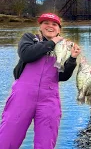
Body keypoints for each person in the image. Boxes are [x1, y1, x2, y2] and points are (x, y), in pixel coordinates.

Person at [0, 13, 81, 148]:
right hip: (22, 97)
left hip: (49, 100)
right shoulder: (29, 39)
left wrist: (72, 59)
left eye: (54, 24)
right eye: (46, 23)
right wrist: (51, 43)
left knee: (46, 142)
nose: (50, 26)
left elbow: (63, 76)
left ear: (59, 29)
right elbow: (26, 55)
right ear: (40, 27)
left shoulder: (64, 48)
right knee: (7, 137)